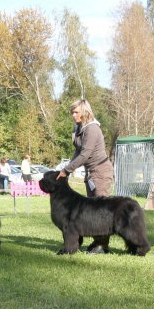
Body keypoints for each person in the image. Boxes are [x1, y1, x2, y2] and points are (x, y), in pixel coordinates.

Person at [57, 98, 114, 254]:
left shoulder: (92, 129)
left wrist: (67, 170)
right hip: (91, 173)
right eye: (72, 112)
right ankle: (97, 242)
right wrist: (67, 169)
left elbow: (85, 155)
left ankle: (102, 245)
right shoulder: (79, 128)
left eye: (76, 112)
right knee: (93, 210)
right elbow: (78, 152)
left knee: (101, 211)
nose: (73, 115)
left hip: (101, 172)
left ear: (84, 112)